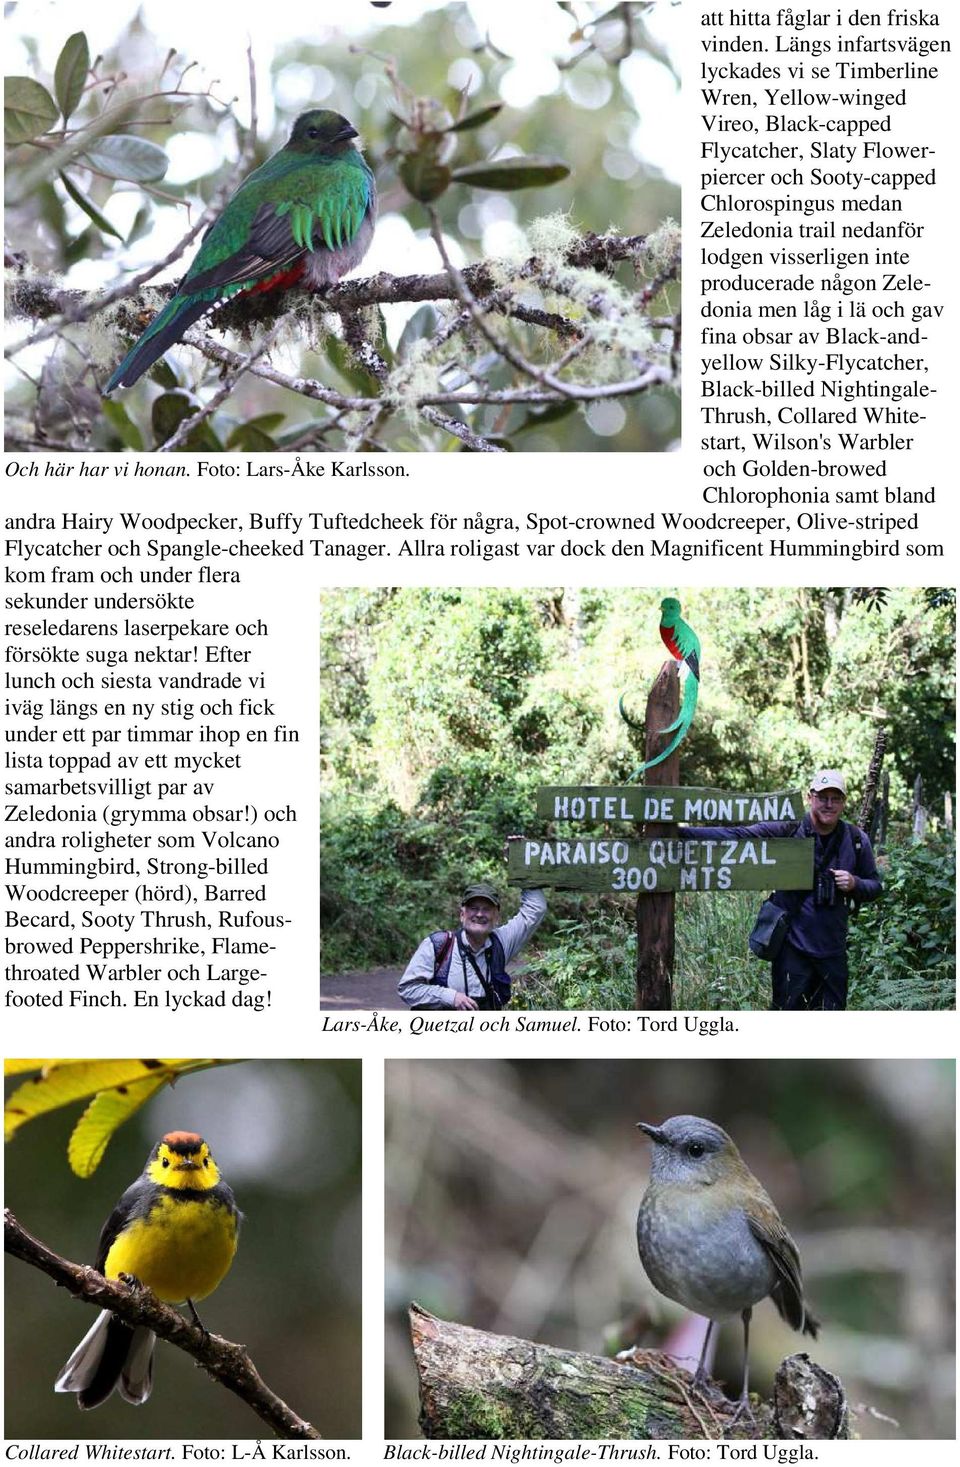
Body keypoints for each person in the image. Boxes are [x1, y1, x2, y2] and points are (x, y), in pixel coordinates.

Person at [686, 769, 881, 1011]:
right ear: (810, 797)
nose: (828, 804)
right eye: (822, 797)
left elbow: (875, 885)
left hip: (833, 952)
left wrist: (854, 883)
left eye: (836, 798)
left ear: (844, 802)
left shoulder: (855, 839)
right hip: (793, 950)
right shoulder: (789, 830)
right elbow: (738, 836)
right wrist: (678, 833)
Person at [398, 870, 546, 1011]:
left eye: (487, 909)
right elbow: (407, 989)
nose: (480, 914)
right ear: (462, 915)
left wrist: (519, 859)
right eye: (473, 908)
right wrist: (451, 997)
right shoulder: (438, 945)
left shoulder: (501, 943)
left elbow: (535, 909)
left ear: (497, 917)